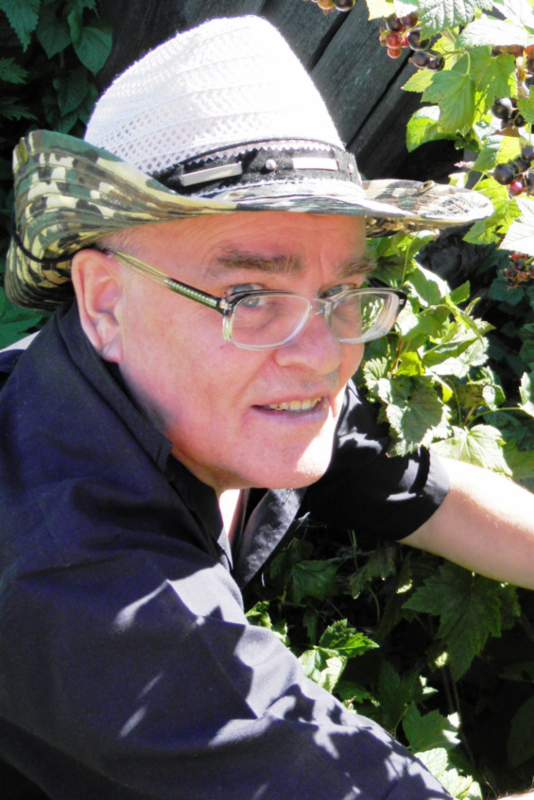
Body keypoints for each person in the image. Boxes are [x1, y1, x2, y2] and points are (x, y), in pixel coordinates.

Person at [1, 14, 533, 800]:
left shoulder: (202, 389)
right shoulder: (90, 588)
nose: (322, 354)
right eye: (248, 295)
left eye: (342, 290)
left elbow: (415, 486)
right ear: (105, 301)